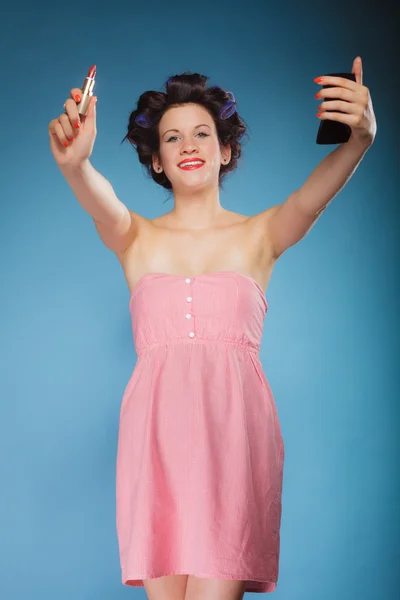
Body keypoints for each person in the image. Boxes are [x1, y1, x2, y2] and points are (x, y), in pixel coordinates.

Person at [48, 65, 376, 600]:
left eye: (203, 133)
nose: (188, 145)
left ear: (225, 150)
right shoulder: (134, 238)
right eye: (171, 138)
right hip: (154, 447)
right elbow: (95, 197)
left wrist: (360, 138)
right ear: (157, 160)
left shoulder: (261, 234)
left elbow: (314, 194)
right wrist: (75, 164)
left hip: (233, 445)